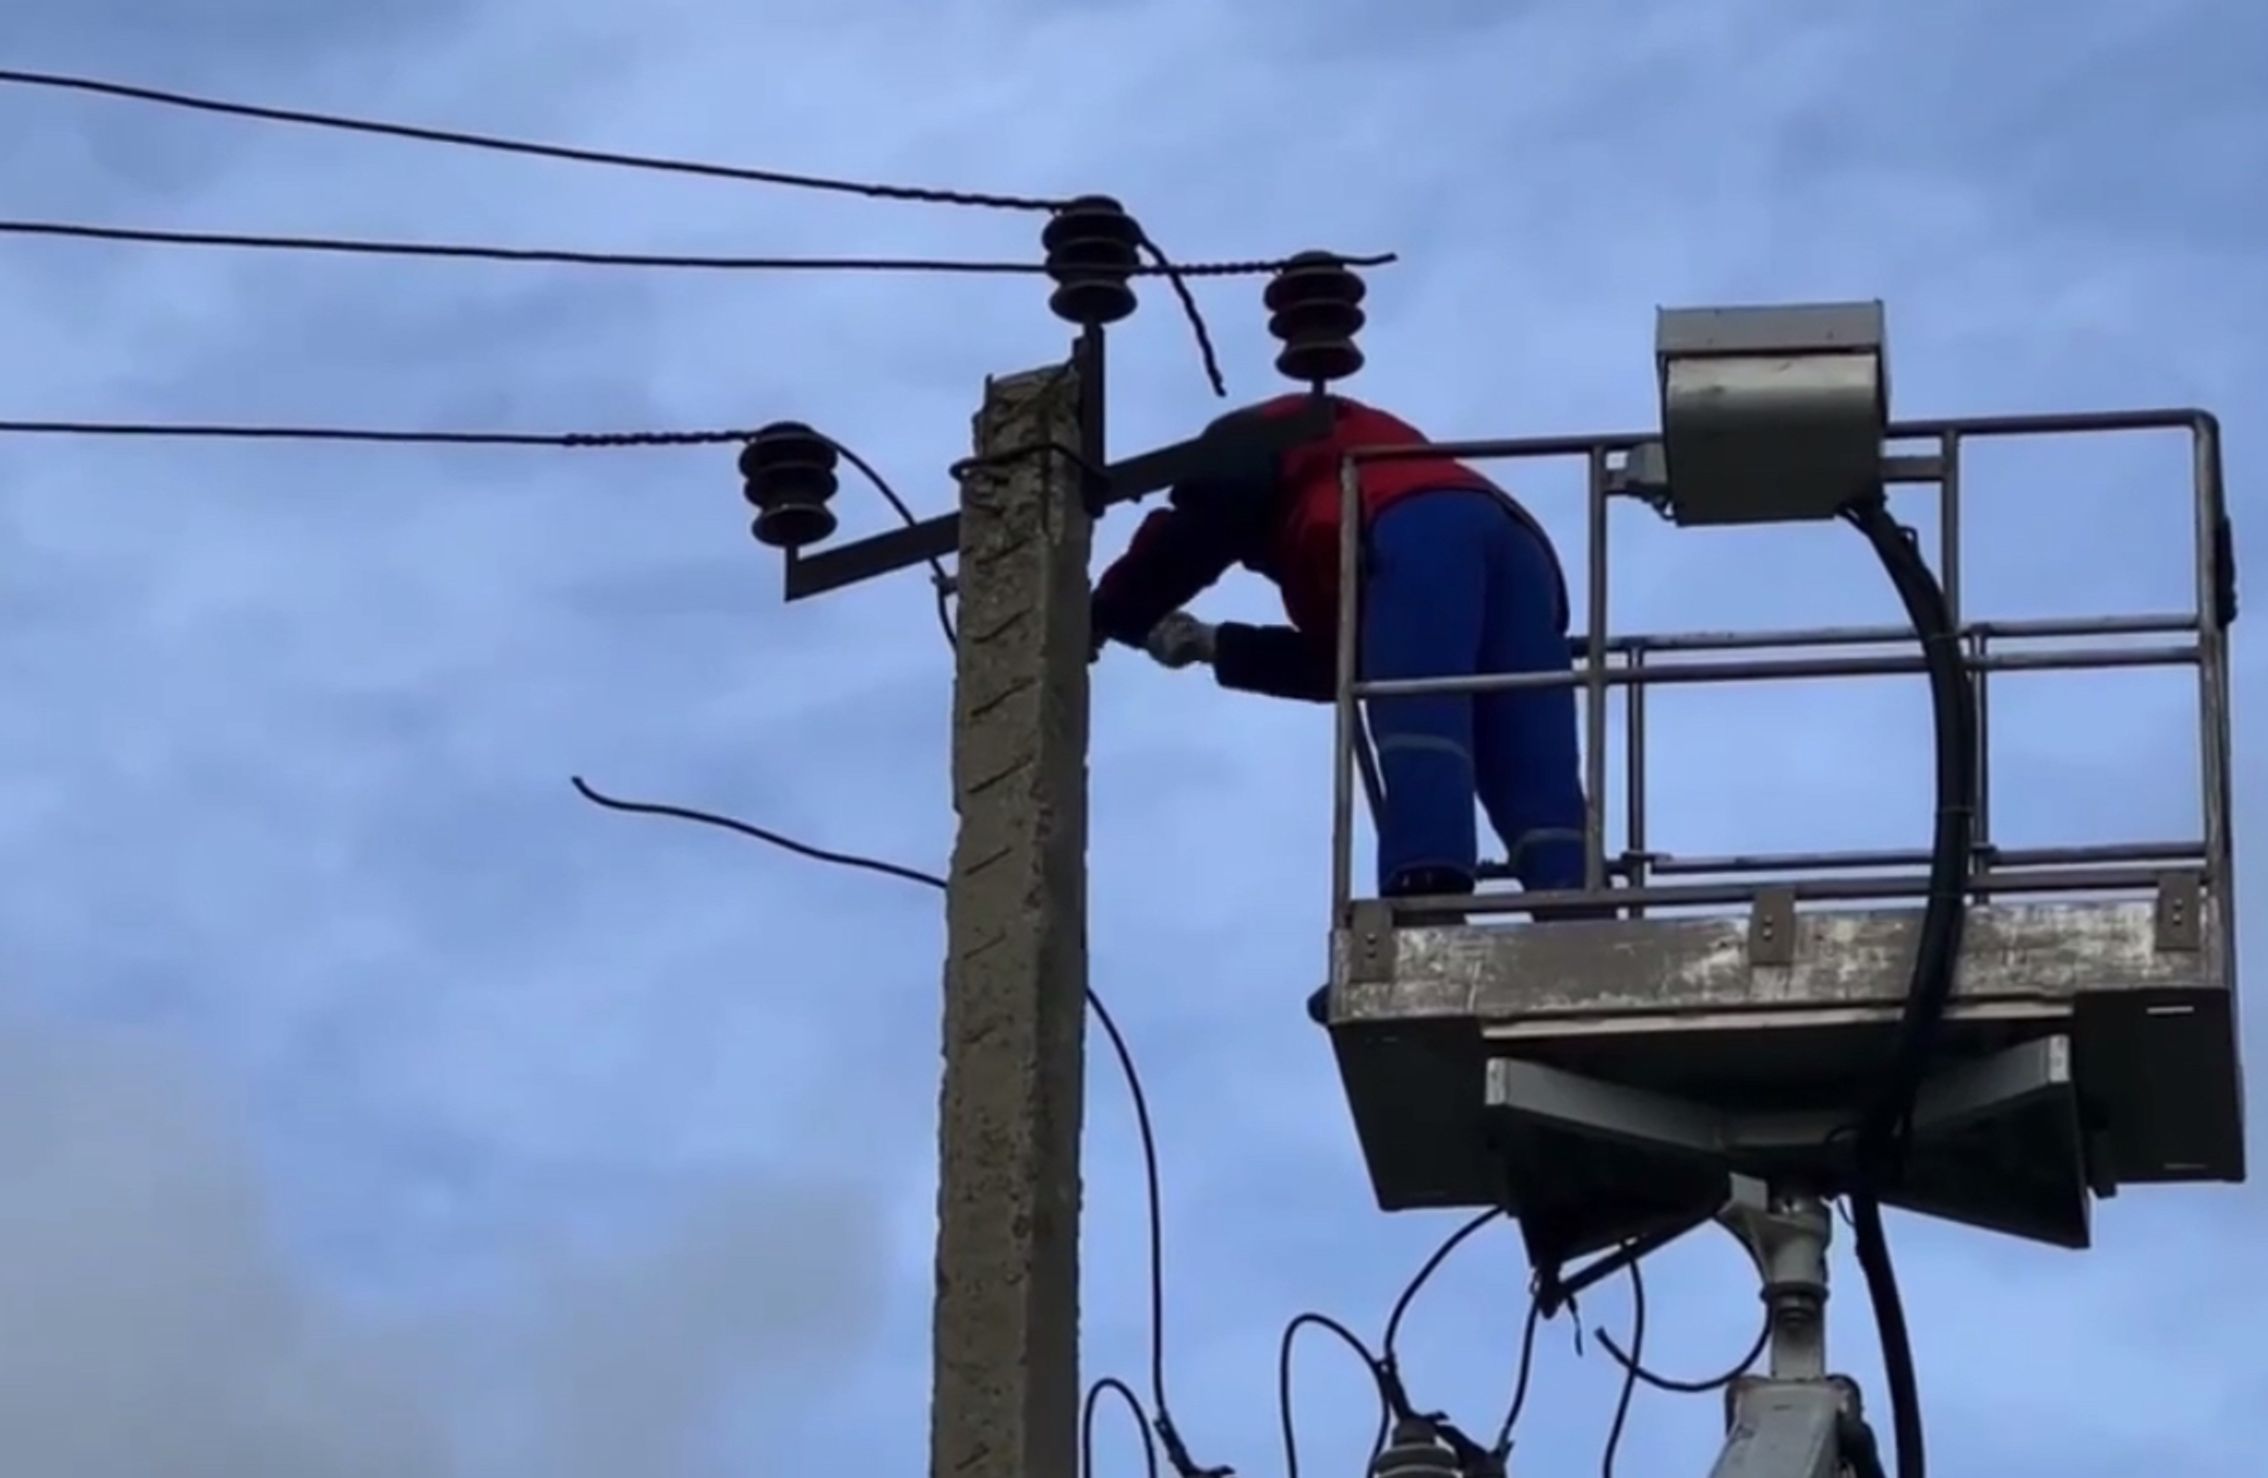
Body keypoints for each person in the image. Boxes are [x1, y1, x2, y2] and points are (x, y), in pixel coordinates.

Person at [1090, 392, 1597, 923]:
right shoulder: (1336, 529)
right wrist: (1214, 644)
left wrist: (1113, 609)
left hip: (1412, 524)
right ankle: (1579, 913)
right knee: (1528, 749)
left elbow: (1201, 525)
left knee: (1420, 718)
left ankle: (1426, 904)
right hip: (1519, 547)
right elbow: (1348, 666)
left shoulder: (1271, 437)